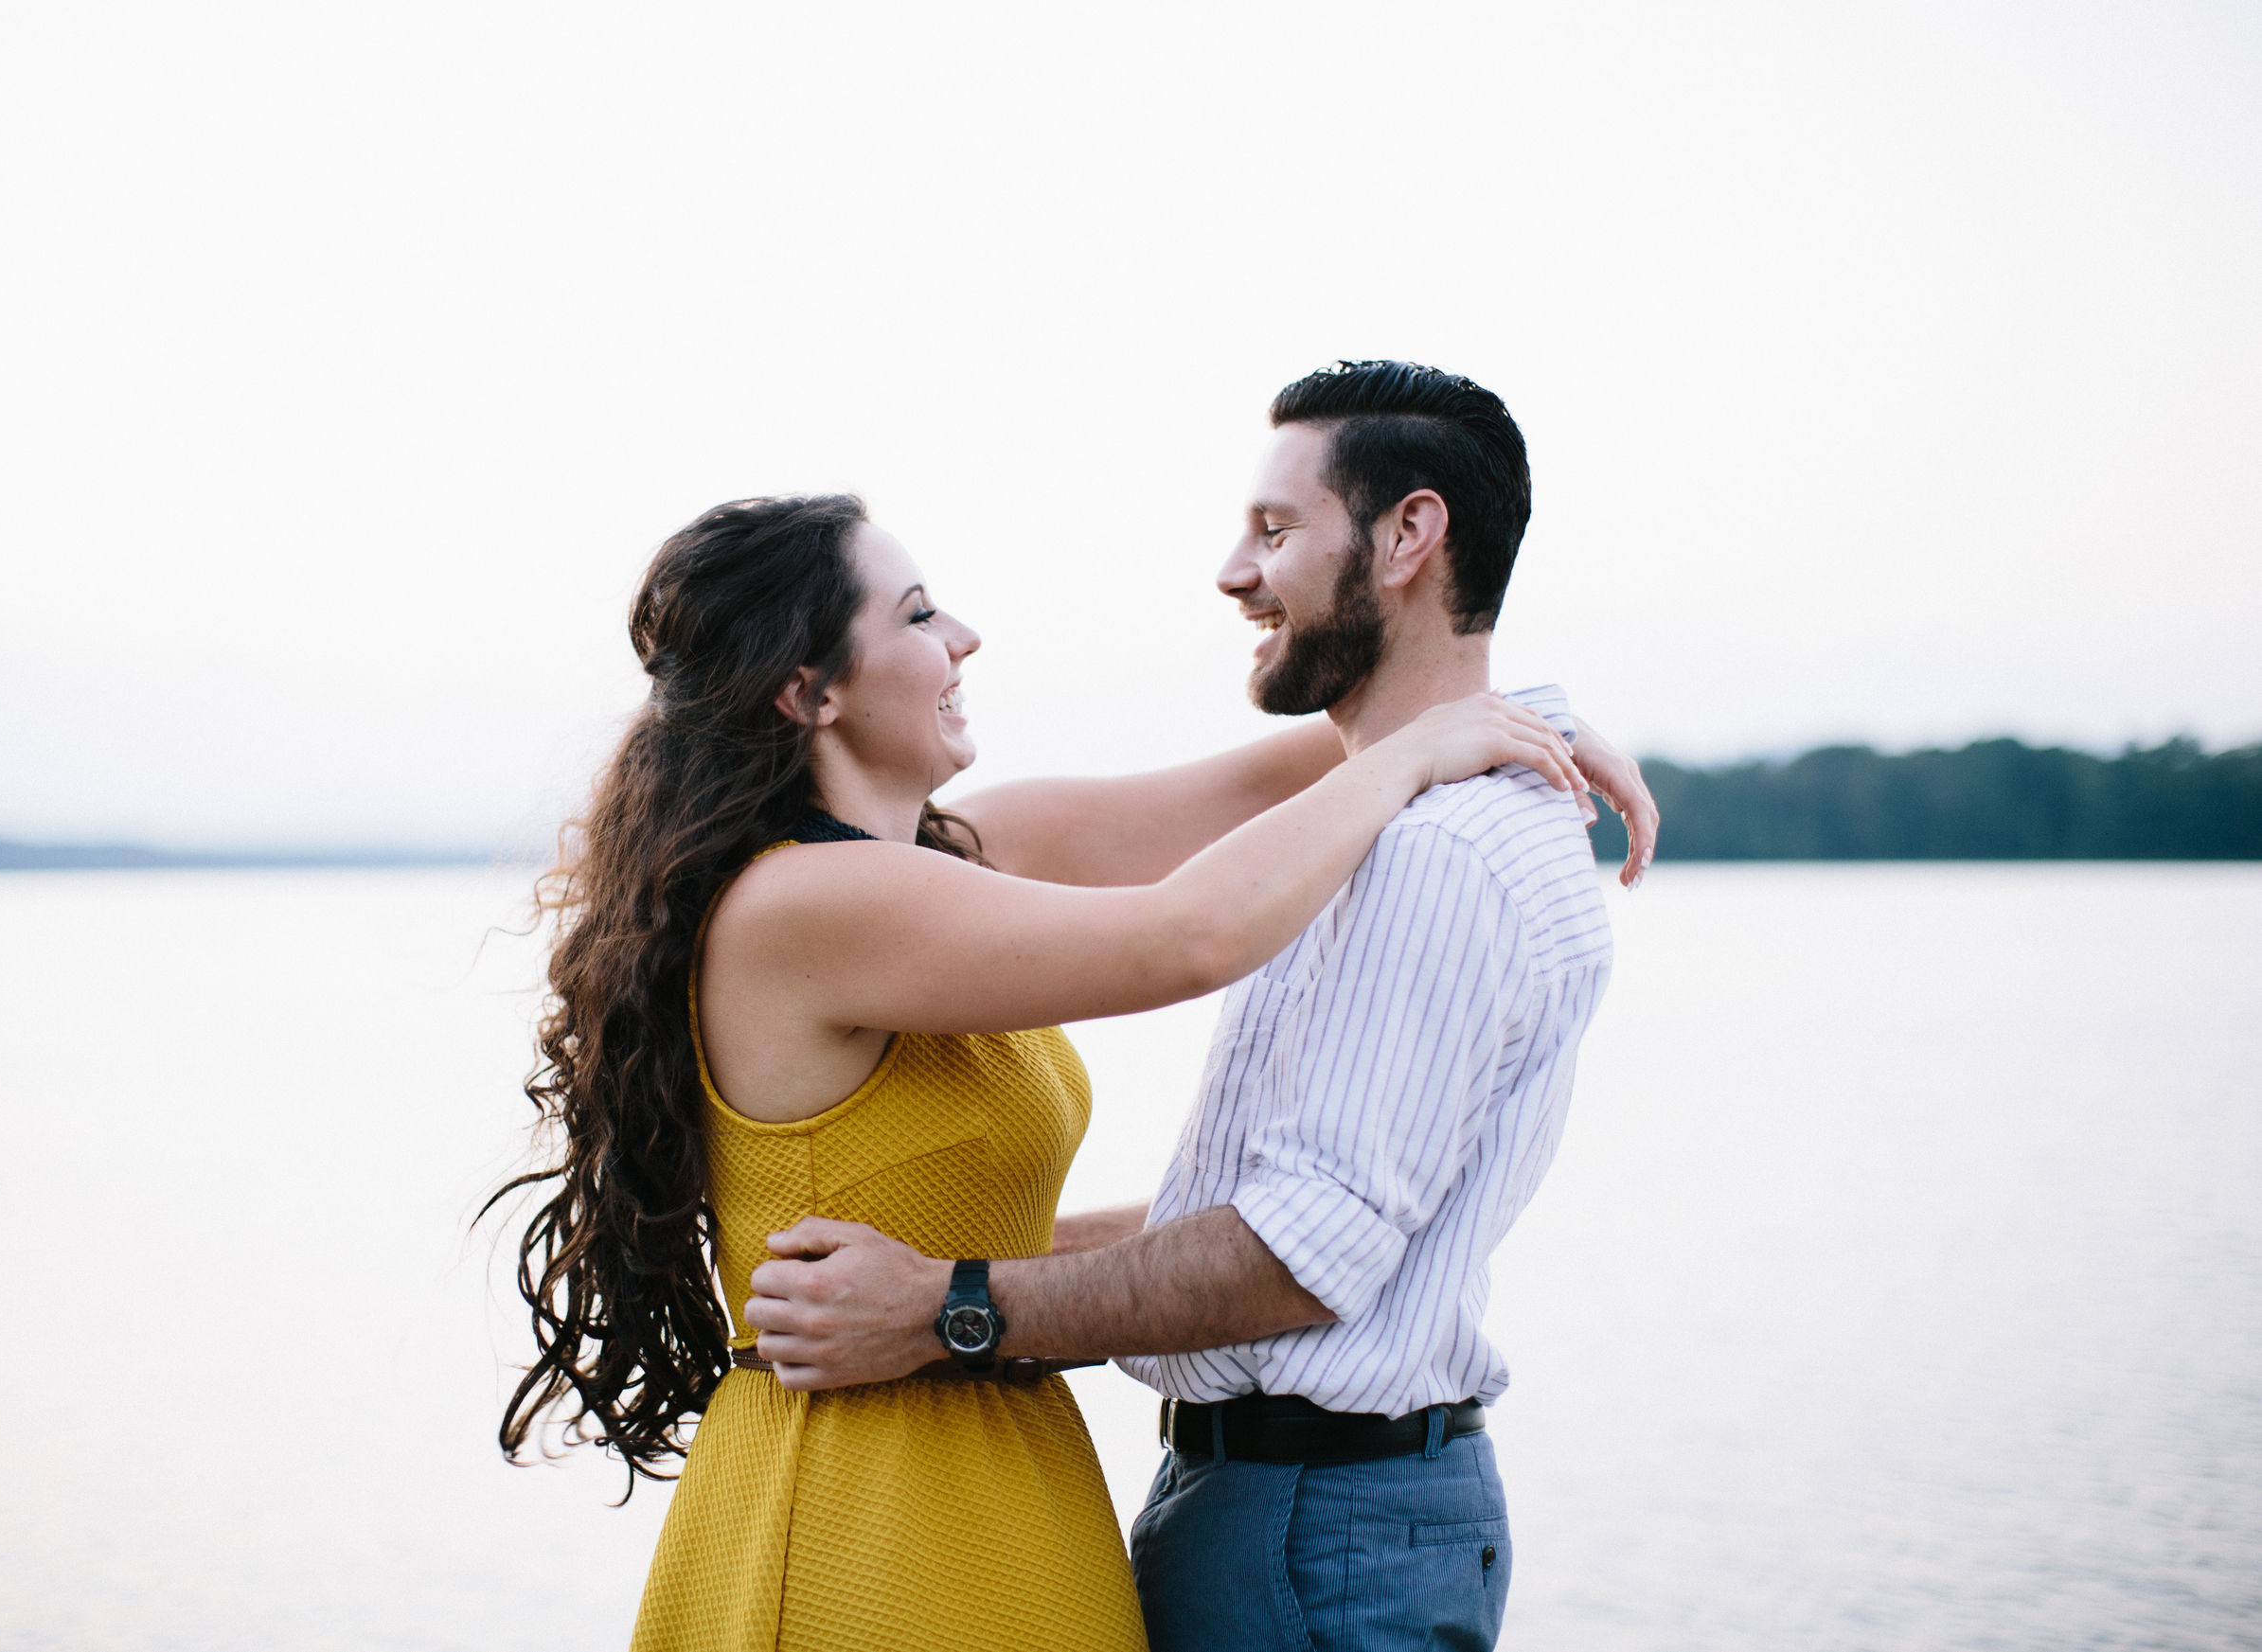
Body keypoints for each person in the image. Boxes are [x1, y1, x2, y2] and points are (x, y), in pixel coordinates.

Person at [489, 481, 1640, 1651]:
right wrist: (1426, 752)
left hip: (1001, 1466)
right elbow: (1189, 935)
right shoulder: (805, 902)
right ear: (810, 689)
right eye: (919, 615)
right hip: (864, 1504)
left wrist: (1504, 719)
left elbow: (1246, 790)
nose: (964, 637)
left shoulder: (952, 855)